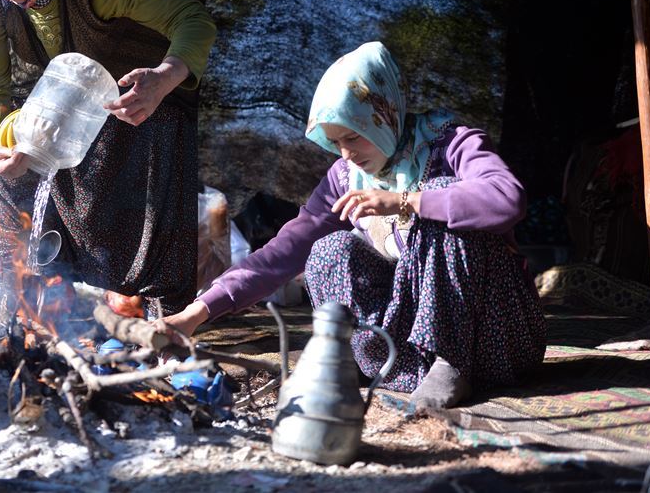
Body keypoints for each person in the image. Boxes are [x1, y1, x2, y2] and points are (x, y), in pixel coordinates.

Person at [158, 41, 546, 409]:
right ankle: (375, 362)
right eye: (334, 141)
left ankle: (452, 363)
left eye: (353, 136)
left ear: (383, 114)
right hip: (411, 354)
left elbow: (507, 198)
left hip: (493, 338)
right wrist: (195, 314)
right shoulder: (345, 177)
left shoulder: (452, 144)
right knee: (329, 249)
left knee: (441, 195)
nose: (345, 152)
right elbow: (282, 253)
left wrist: (407, 201)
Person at [0, 0, 216, 316]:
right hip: (67, 88)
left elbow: (193, 21)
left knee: (153, 158)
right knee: (6, 161)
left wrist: (164, 78)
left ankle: (165, 324)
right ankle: (10, 312)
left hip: (144, 90)